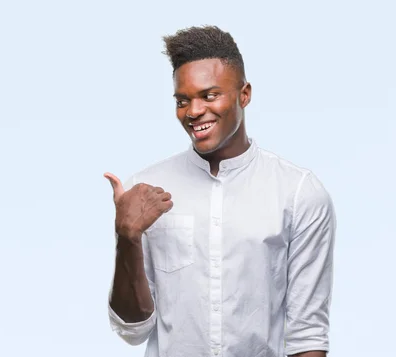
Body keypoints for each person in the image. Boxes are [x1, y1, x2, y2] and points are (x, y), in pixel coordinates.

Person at [104, 25, 336, 357]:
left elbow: (307, 334)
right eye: (183, 100)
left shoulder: (298, 192)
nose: (194, 111)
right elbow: (132, 329)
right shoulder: (145, 192)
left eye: (209, 95)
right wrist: (127, 236)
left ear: (245, 94)